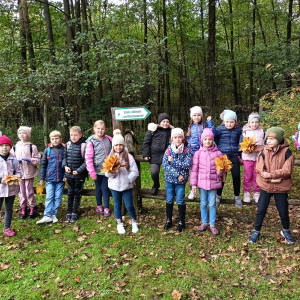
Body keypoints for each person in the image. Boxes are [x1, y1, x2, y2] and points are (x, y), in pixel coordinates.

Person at [249, 127, 295, 244]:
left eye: (272, 139)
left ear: (279, 140)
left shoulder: (287, 153)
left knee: (283, 210)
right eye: (267, 138)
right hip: (266, 186)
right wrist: (271, 178)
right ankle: (257, 230)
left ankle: (285, 230)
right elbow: (259, 168)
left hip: (281, 187)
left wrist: (270, 175)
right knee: (261, 209)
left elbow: (287, 170)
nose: (268, 141)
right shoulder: (263, 151)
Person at [105, 129, 139, 234]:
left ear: (123, 145)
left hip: (127, 186)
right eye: (116, 145)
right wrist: (113, 171)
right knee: (117, 205)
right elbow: (107, 173)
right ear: (113, 146)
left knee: (129, 205)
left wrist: (128, 179)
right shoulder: (110, 157)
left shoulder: (128, 157)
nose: (118, 147)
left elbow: (135, 171)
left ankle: (134, 221)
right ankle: (119, 223)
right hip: (115, 186)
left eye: (120, 145)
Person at [190, 128, 223, 235]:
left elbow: (222, 170)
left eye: (210, 139)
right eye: (205, 139)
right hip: (202, 183)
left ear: (212, 140)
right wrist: (193, 185)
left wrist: (220, 171)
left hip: (213, 183)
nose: (207, 141)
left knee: (212, 204)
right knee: (203, 203)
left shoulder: (218, 154)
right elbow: (194, 170)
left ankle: (212, 224)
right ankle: (204, 222)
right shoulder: (198, 154)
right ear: (202, 141)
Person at [162, 128, 192, 232]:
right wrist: (177, 174)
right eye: (175, 137)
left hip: (181, 182)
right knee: (169, 199)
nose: (178, 139)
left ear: (183, 138)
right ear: (172, 139)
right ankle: (169, 219)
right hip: (169, 180)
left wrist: (174, 161)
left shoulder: (186, 150)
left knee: (180, 200)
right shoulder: (168, 150)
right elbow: (165, 165)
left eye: (180, 137)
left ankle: (181, 222)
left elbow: (187, 164)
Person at [214, 110, 243, 208]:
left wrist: (241, 155)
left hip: (234, 155)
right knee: (221, 177)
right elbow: (215, 141)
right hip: (223, 156)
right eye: (227, 122)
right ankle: (218, 196)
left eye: (232, 122)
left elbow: (241, 142)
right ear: (224, 122)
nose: (229, 124)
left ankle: (237, 196)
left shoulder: (238, 130)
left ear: (235, 122)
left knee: (236, 176)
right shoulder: (220, 129)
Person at [37, 131, 66, 224]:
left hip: (61, 179)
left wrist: (66, 176)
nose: (55, 140)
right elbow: (43, 165)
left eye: (57, 138)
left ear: (61, 139)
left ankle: (54, 214)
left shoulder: (65, 150)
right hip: (49, 179)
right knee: (49, 197)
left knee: (58, 197)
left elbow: (67, 164)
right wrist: (42, 178)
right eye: (53, 139)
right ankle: (47, 215)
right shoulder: (47, 151)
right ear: (50, 140)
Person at [186, 106, 214, 200]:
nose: (197, 117)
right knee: (192, 172)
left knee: (202, 172)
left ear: (201, 116)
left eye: (198, 115)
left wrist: (209, 123)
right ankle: (192, 191)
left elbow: (212, 133)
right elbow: (188, 139)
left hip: (203, 152)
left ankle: (204, 191)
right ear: (191, 117)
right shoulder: (190, 127)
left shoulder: (205, 126)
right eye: (194, 115)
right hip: (192, 153)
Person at [86, 120, 112, 217]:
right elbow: (88, 158)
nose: (100, 131)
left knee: (105, 188)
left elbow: (118, 141)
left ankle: (106, 207)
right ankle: (99, 206)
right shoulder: (91, 142)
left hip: (107, 170)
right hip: (96, 170)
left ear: (105, 129)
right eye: (98, 129)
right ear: (94, 129)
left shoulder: (109, 139)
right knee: (98, 188)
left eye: (102, 129)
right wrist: (91, 172)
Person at [14, 126, 41, 219]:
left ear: (28, 135)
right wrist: (16, 162)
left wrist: (29, 160)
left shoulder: (32, 147)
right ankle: (23, 209)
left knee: (29, 191)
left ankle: (32, 208)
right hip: (19, 174)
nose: (22, 134)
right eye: (20, 133)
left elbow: (38, 160)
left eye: (24, 133)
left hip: (29, 173)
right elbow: (11, 160)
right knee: (21, 192)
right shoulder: (15, 147)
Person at [142, 113, 172, 195]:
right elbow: (146, 143)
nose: (165, 123)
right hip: (154, 154)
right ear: (159, 122)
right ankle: (156, 184)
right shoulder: (153, 130)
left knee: (170, 173)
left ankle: (171, 188)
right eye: (163, 121)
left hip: (167, 155)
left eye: (167, 121)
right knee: (154, 172)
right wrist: (146, 154)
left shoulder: (172, 131)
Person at [62, 126, 88, 223]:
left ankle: (74, 212)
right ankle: (69, 211)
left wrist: (79, 170)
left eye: (75, 135)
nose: (73, 137)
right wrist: (65, 166)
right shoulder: (68, 145)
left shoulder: (84, 145)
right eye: (71, 135)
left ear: (80, 135)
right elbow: (64, 158)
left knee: (77, 193)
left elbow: (87, 161)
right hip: (69, 175)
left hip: (79, 175)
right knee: (70, 193)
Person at [239, 113, 265, 203]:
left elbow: (265, 144)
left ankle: (256, 193)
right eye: (252, 122)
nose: (254, 124)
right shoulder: (245, 132)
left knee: (257, 176)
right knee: (248, 176)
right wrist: (245, 149)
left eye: (256, 122)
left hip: (258, 158)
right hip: (247, 157)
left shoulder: (262, 132)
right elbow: (240, 145)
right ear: (249, 122)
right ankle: (247, 193)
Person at [0, 135, 21, 236]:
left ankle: (7, 228)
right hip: (0, 188)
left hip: (11, 188)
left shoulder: (14, 159)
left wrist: (15, 177)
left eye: (7, 145)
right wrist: (1, 180)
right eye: (2, 145)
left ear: (10, 147)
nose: (4, 147)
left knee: (9, 208)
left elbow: (18, 171)